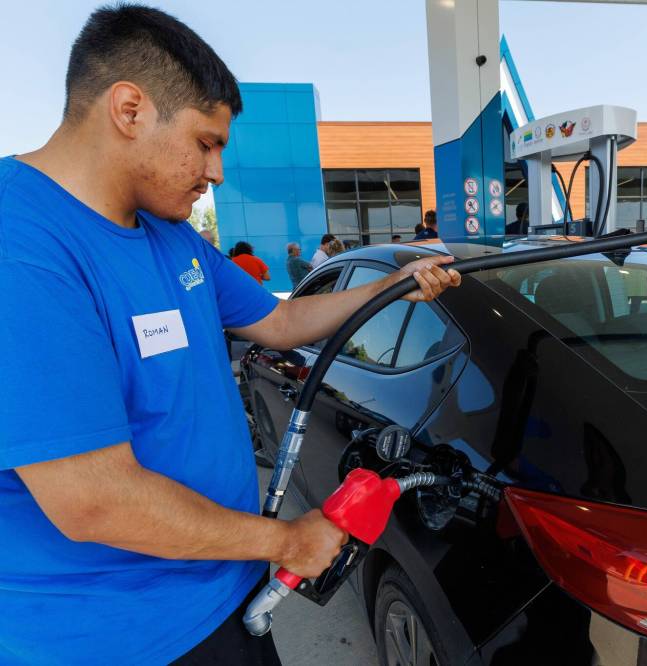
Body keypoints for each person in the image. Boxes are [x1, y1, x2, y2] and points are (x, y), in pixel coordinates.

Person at [0, 6, 462, 664]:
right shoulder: (23, 249)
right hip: (119, 637)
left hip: (226, 594)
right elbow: (94, 502)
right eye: (205, 142)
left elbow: (277, 322)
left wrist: (397, 285)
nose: (216, 171)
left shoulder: (168, 233)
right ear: (128, 110)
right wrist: (288, 542)